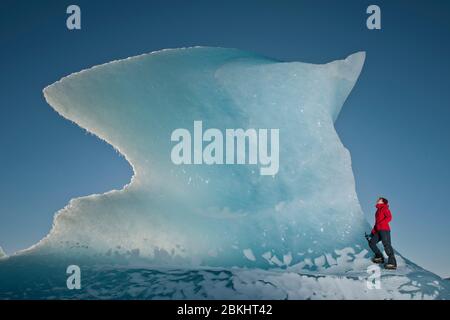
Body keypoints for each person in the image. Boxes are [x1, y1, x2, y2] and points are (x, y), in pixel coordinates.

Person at [368, 197, 397, 270]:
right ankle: (379, 257)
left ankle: (392, 263)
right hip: (378, 230)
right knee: (371, 242)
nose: (377, 200)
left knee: (386, 244)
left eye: (379, 199)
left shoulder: (384, 208)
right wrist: (372, 233)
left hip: (384, 229)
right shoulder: (377, 211)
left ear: (383, 202)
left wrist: (381, 224)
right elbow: (376, 223)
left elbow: (389, 217)